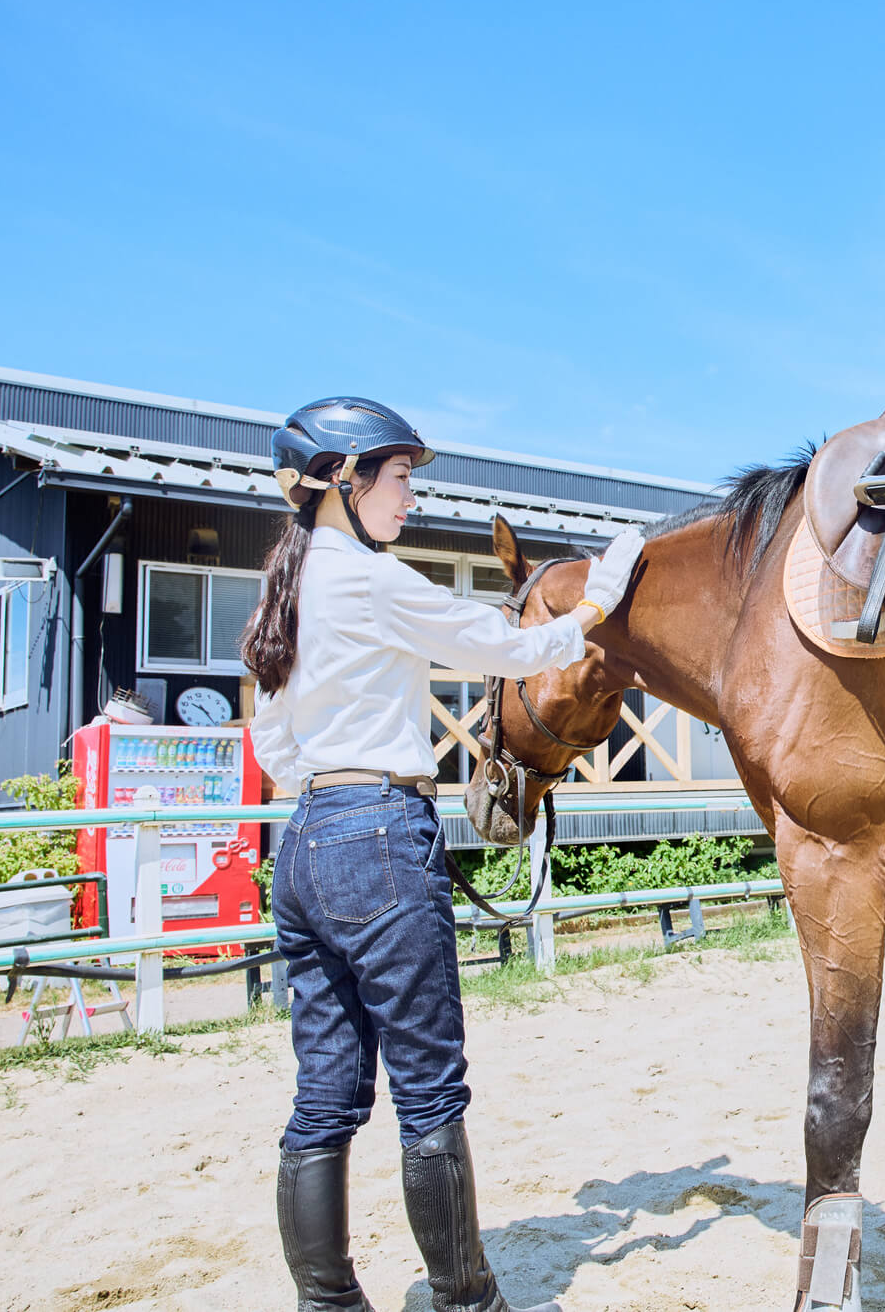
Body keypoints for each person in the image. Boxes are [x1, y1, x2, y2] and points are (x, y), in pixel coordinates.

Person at [240, 397, 642, 1312]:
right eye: (400, 476)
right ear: (345, 481)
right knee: (426, 1084)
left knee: (325, 1092)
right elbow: (504, 643)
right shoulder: (368, 579)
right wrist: (603, 594)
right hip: (380, 833)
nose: (412, 495)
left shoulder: (290, 587)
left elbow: (271, 748)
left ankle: (329, 1299)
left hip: (304, 838)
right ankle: (465, 1299)